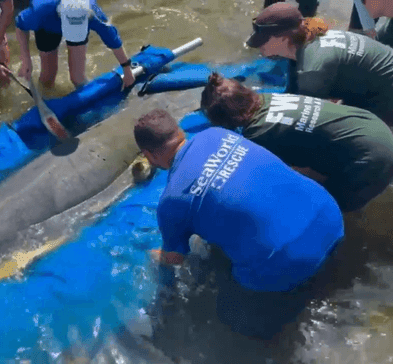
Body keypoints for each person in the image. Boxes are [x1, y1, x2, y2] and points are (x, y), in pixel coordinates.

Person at [134, 108, 345, 339]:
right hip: (328, 215)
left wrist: (151, 254)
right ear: (179, 130)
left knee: (228, 317)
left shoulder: (172, 200)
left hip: (284, 259)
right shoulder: (216, 134)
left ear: (148, 154)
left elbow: (175, 258)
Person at [200, 73, 393, 212]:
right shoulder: (267, 99)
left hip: (372, 159)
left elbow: (283, 176)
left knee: (330, 209)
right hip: (374, 127)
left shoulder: (259, 132)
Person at [245, 3, 393, 125]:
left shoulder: (312, 68)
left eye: (264, 41)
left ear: (283, 39)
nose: (260, 46)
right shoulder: (310, 38)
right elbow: (293, 90)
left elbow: (306, 116)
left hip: (384, 99)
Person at [15, 0, 135, 88]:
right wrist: (26, 59)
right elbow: (20, 26)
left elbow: (113, 39)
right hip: (48, 27)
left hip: (77, 25)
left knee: (78, 78)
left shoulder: (92, 10)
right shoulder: (41, 11)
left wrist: (127, 70)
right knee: (48, 76)